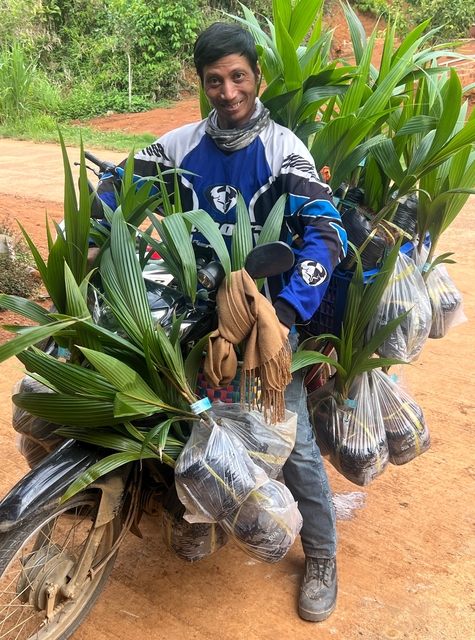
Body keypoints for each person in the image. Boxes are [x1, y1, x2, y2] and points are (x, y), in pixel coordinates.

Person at [97, 22, 347, 622]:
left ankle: (321, 554)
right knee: (180, 415)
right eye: (215, 80)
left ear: (257, 78)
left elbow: (327, 234)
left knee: (292, 442)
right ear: (201, 83)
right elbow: (115, 185)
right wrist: (92, 236)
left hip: (264, 318)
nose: (229, 91)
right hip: (192, 311)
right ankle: (197, 518)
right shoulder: (179, 145)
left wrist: (282, 316)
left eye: (239, 77)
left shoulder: (284, 149)